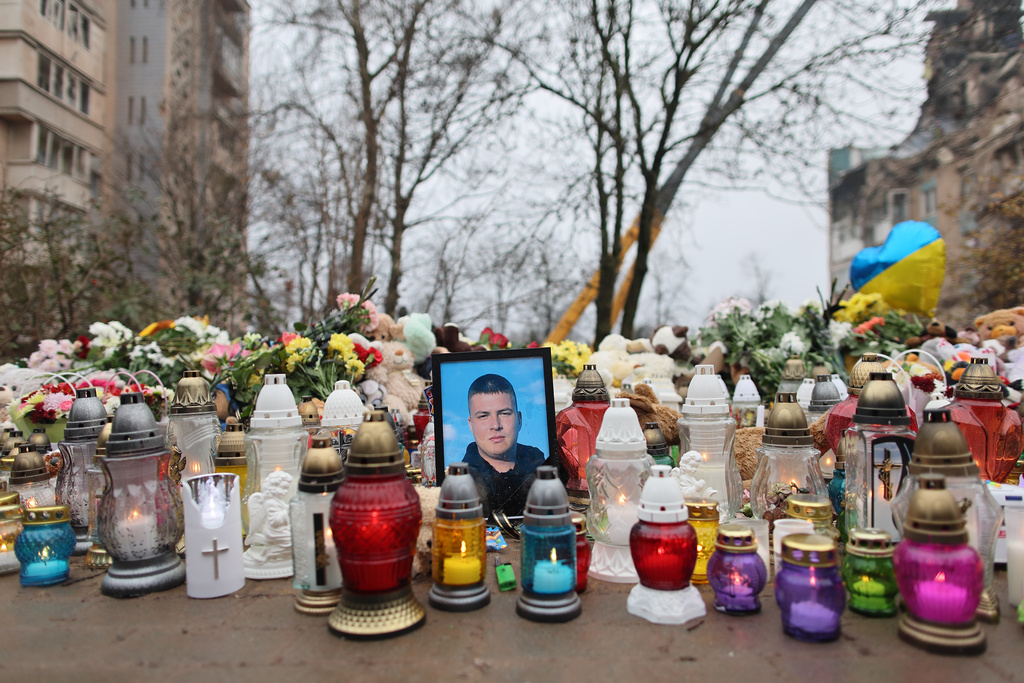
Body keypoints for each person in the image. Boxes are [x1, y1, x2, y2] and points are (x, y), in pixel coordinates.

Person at [463, 374, 546, 517]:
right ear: (471, 425)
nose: (495, 425)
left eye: (504, 413)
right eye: (483, 416)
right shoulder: (460, 483)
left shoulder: (540, 466)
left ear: (519, 419)